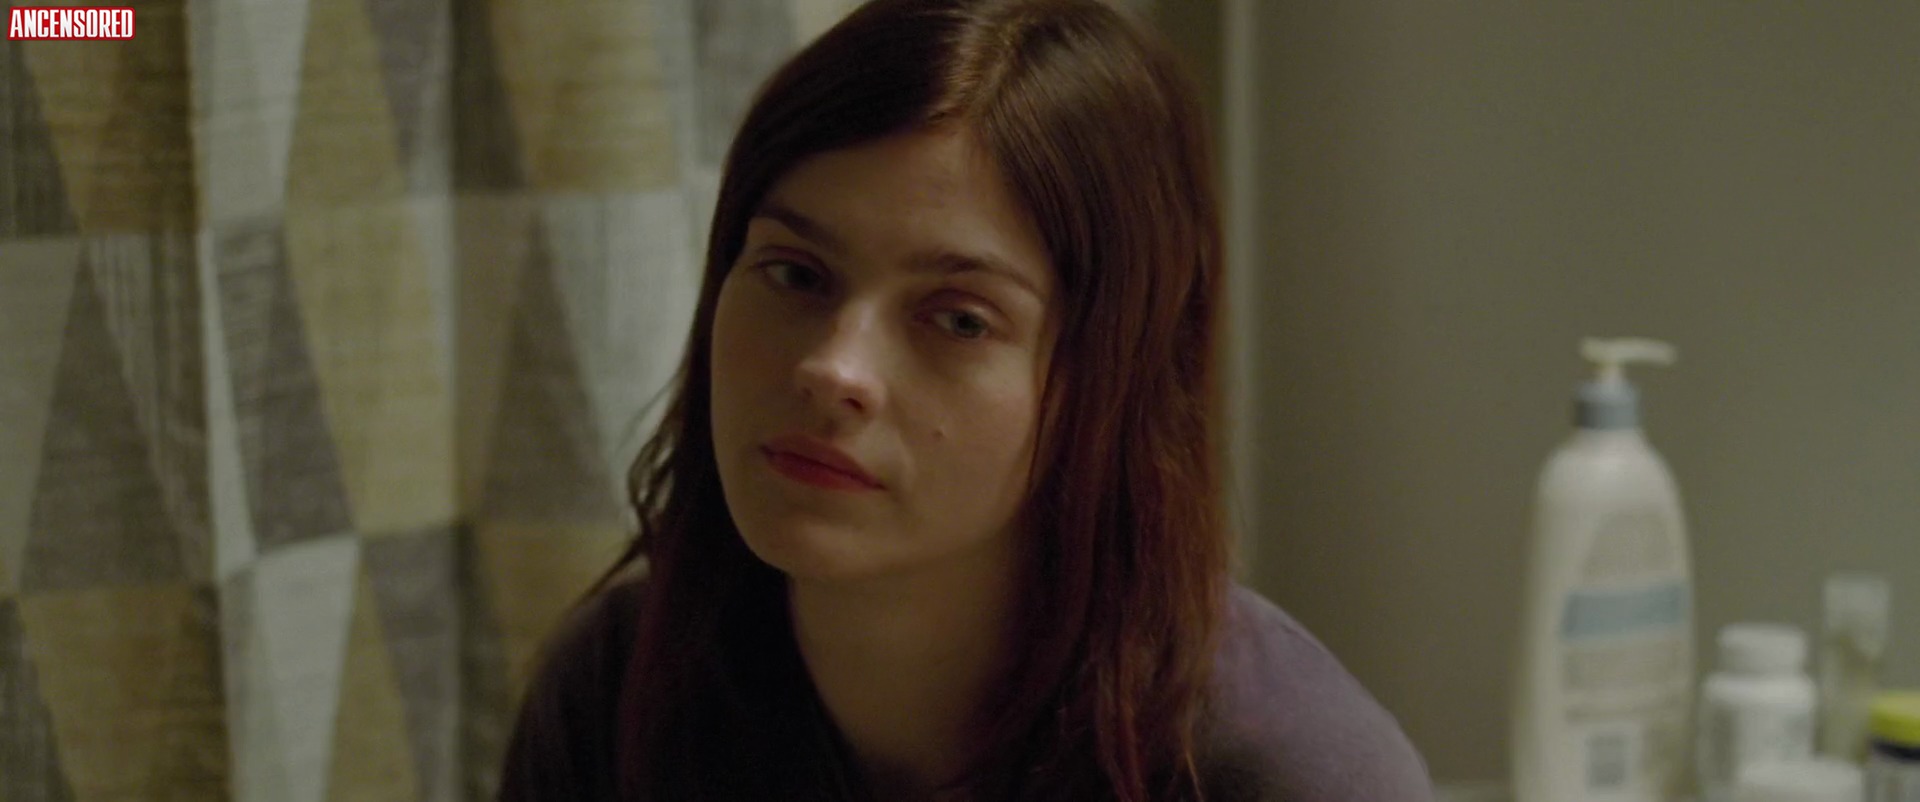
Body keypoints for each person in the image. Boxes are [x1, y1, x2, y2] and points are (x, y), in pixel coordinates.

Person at [497, 0, 1434, 799]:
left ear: (1105, 384)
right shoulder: (621, 689)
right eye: (795, 273)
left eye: (959, 320)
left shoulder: (1280, 768)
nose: (834, 368)